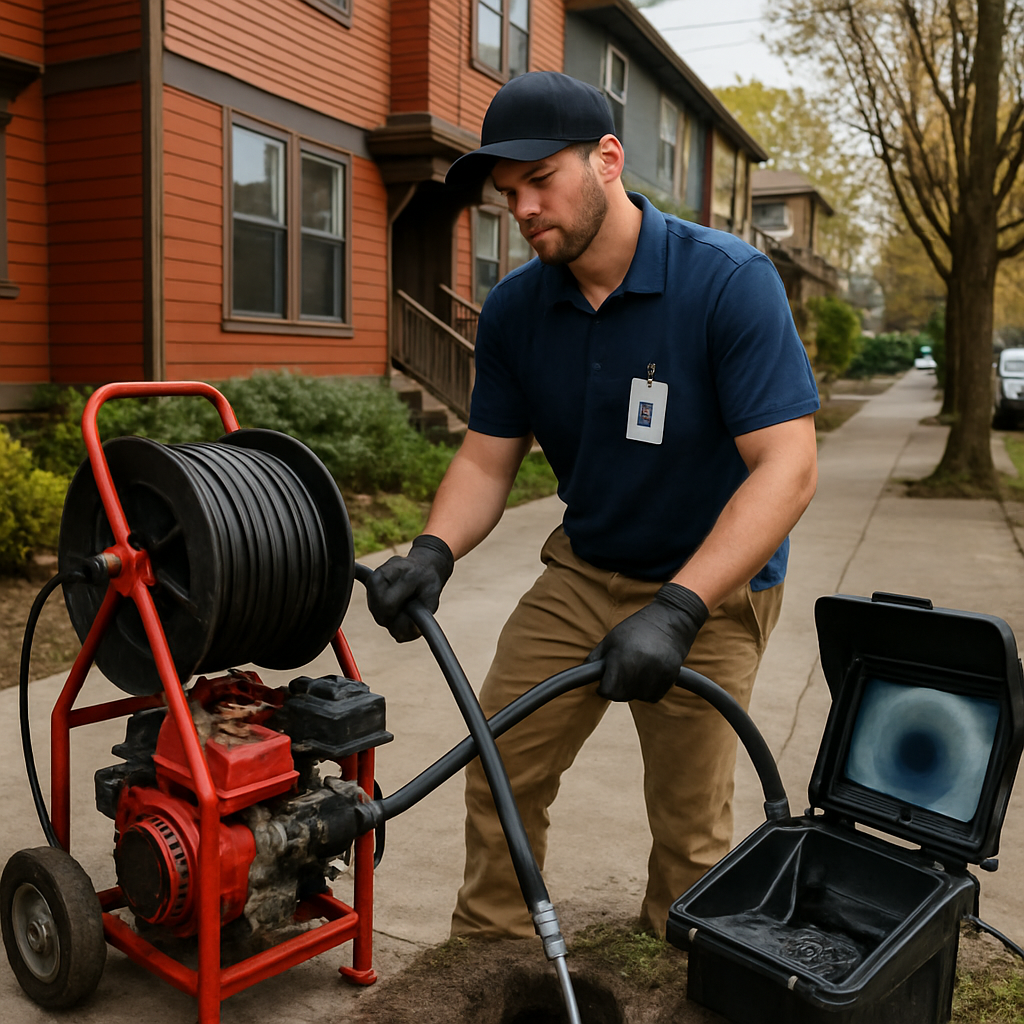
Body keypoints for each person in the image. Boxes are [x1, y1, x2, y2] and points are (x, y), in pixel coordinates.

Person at [366, 71, 819, 940]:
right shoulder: (515, 310)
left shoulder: (727, 283)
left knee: (690, 831)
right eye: (508, 195)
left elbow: (787, 469)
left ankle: (675, 961)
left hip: (712, 587)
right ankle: (487, 956)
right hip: (585, 569)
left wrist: (681, 609)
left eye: (541, 180)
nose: (524, 208)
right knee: (502, 768)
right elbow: (488, 462)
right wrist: (432, 550)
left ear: (608, 159)